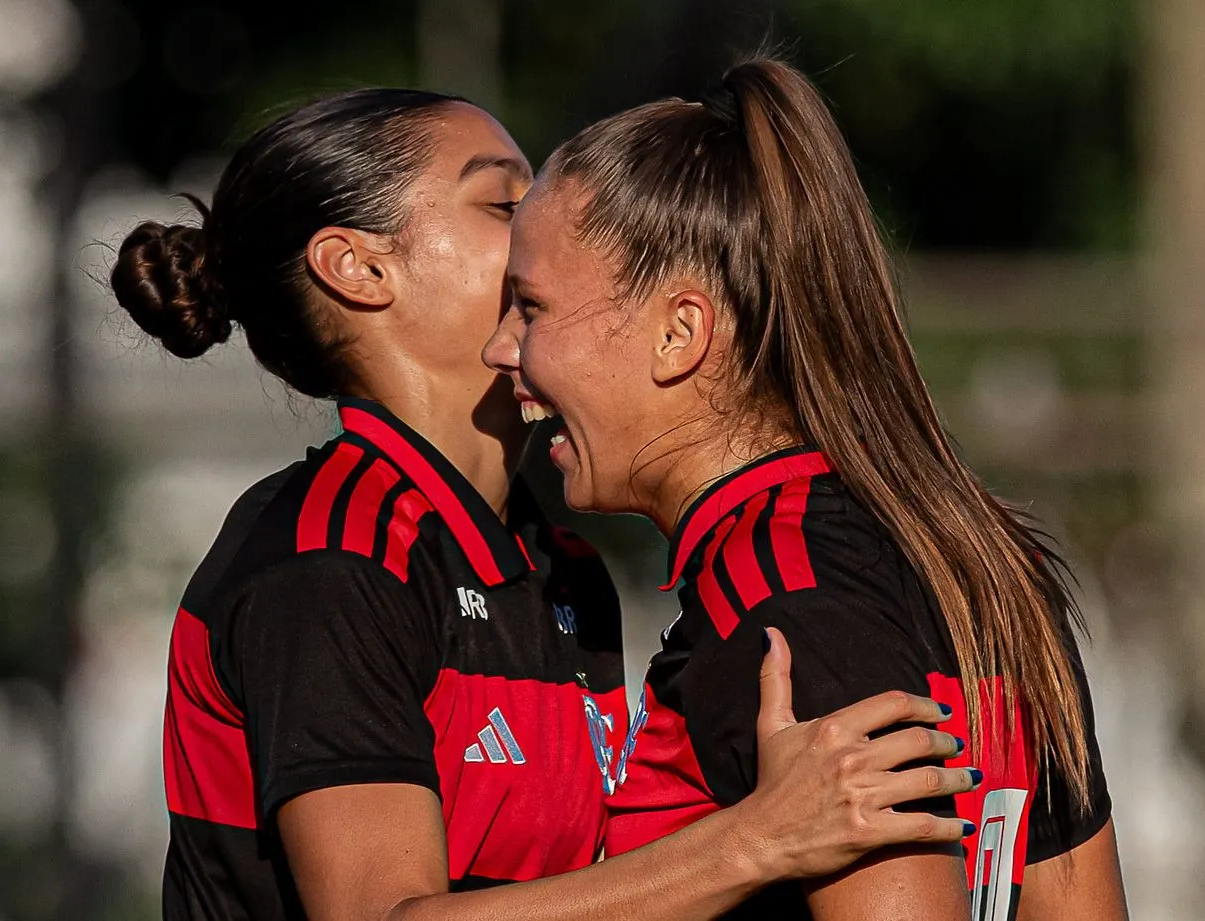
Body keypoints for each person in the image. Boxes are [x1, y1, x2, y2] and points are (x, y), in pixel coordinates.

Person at [114, 88, 980, 921]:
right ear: (361, 267)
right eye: (502, 201)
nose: (547, 216)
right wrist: (756, 841)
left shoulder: (562, 567)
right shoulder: (330, 559)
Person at [482, 58, 1130, 921]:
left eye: (530, 308)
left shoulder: (782, 598)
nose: (502, 349)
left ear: (680, 334)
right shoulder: (961, 552)